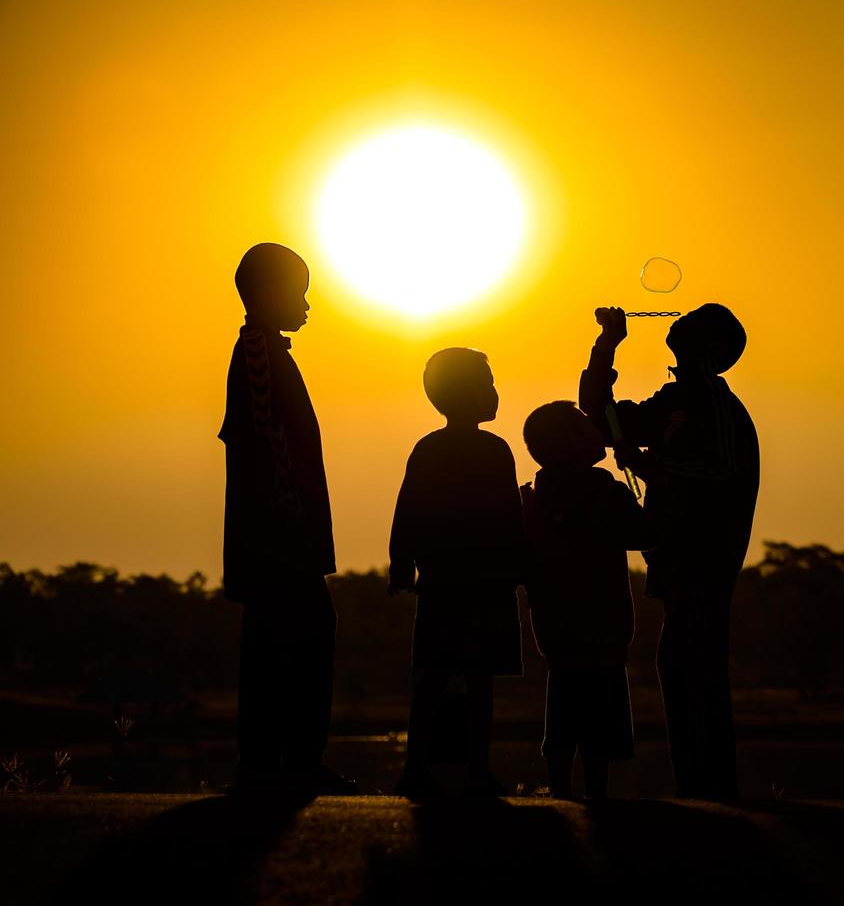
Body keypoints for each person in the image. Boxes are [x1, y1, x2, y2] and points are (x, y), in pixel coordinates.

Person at [579, 304, 759, 800]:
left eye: (698, 327)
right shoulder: (675, 401)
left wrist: (650, 467)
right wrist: (607, 345)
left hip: (706, 559)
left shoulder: (718, 406)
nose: (682, 328)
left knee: (693, 665)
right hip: (677, 560)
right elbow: (603, 418)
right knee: (681, 664)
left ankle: (712, 788)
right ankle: (701, 788)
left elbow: (723, 474)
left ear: (716, 350)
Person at [219, 242, 355, 796]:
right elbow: (267, 438)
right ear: (269, 293)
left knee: (279, 640)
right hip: (278, 533)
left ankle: (274, 762)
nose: (307, 305)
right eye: (299, 293)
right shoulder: (257, 353)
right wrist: (291, 514)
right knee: (298, 637)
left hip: (279, 530)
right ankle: (290, 762)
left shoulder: (267, 350)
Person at [388, 347, 526, 801]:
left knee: (431, 676)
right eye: (487, 384)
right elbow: (511, 516)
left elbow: (407, 511)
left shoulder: (428, 448)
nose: (494, 392)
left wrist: (402, 562)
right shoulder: (495, 450)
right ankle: (475, 771)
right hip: (483, 580)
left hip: (444, 579)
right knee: (477, 679)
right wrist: (521, 567)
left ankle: (417, 769)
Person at [520, 401, 652, 800]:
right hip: (604, 621)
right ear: (573, 443)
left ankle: (560, 789)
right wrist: (647, 474)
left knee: (562, 698)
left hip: (554, 622)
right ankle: (596, 794)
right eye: (583, 424)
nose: (596, 427)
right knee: (601, 711)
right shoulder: (605, 491)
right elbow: (644, 534)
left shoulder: (533, 497)